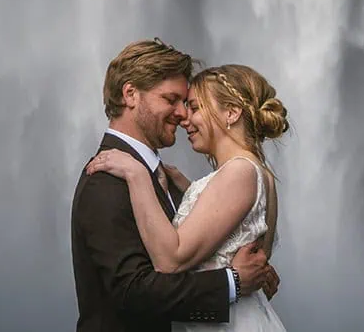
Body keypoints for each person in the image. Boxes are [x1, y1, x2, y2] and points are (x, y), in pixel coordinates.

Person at [72, 40, 281, 332]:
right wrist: (232, 283)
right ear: (130, 94)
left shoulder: (161, 177)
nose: (183, 115)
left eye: (190, 105)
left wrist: (250, 284)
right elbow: (132, 292)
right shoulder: (107, 178)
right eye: (172, 100)